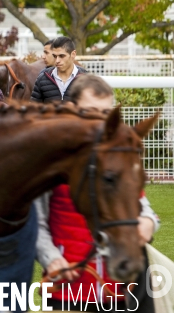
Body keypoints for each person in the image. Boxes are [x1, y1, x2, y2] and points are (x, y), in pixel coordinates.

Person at [35, 75, 159, 312]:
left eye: (105, 113)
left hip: (124, 285)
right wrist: (51, 259)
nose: (99, 121)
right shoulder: (49, 158)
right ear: (72, 109)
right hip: (71, 285)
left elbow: (142, 206)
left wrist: (148, 222)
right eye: (90, 111)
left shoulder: (116, 155)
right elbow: (35, 223)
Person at [31, 36, 86, 103]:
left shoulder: (86, 79)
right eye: (54, 56)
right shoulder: (43, 78)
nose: (57, 60)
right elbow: (34, 109)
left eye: (61, 56)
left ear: (73, 55)